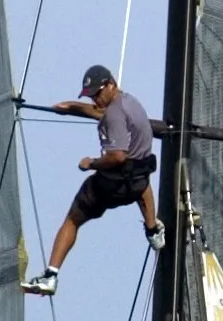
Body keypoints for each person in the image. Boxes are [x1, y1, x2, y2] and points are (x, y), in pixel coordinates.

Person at [22, 64, 164, 296]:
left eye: (97, 94)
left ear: (111, 85)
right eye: (91, 97)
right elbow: (101, 113)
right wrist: (71, 107)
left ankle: (50, 275)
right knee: (143, 183)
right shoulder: (129, 103)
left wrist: (91, 163)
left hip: (110, 186)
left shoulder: (114, 115)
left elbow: (117, 156)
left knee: (73, 219)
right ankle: (152, 231)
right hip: (136, 183)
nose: (95, 100)